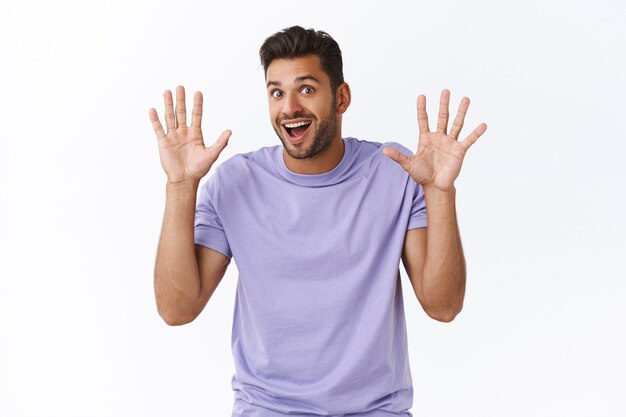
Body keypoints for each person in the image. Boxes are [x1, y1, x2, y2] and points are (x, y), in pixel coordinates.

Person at [148, 26, 487, 417]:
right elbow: (177, 309)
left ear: (341, 98)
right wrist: (180, 186)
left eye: (306, 89)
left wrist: (440, 192)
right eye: (277, 92)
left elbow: (443, 306)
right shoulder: (233, 183)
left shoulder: (396, 174)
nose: (289, 107)